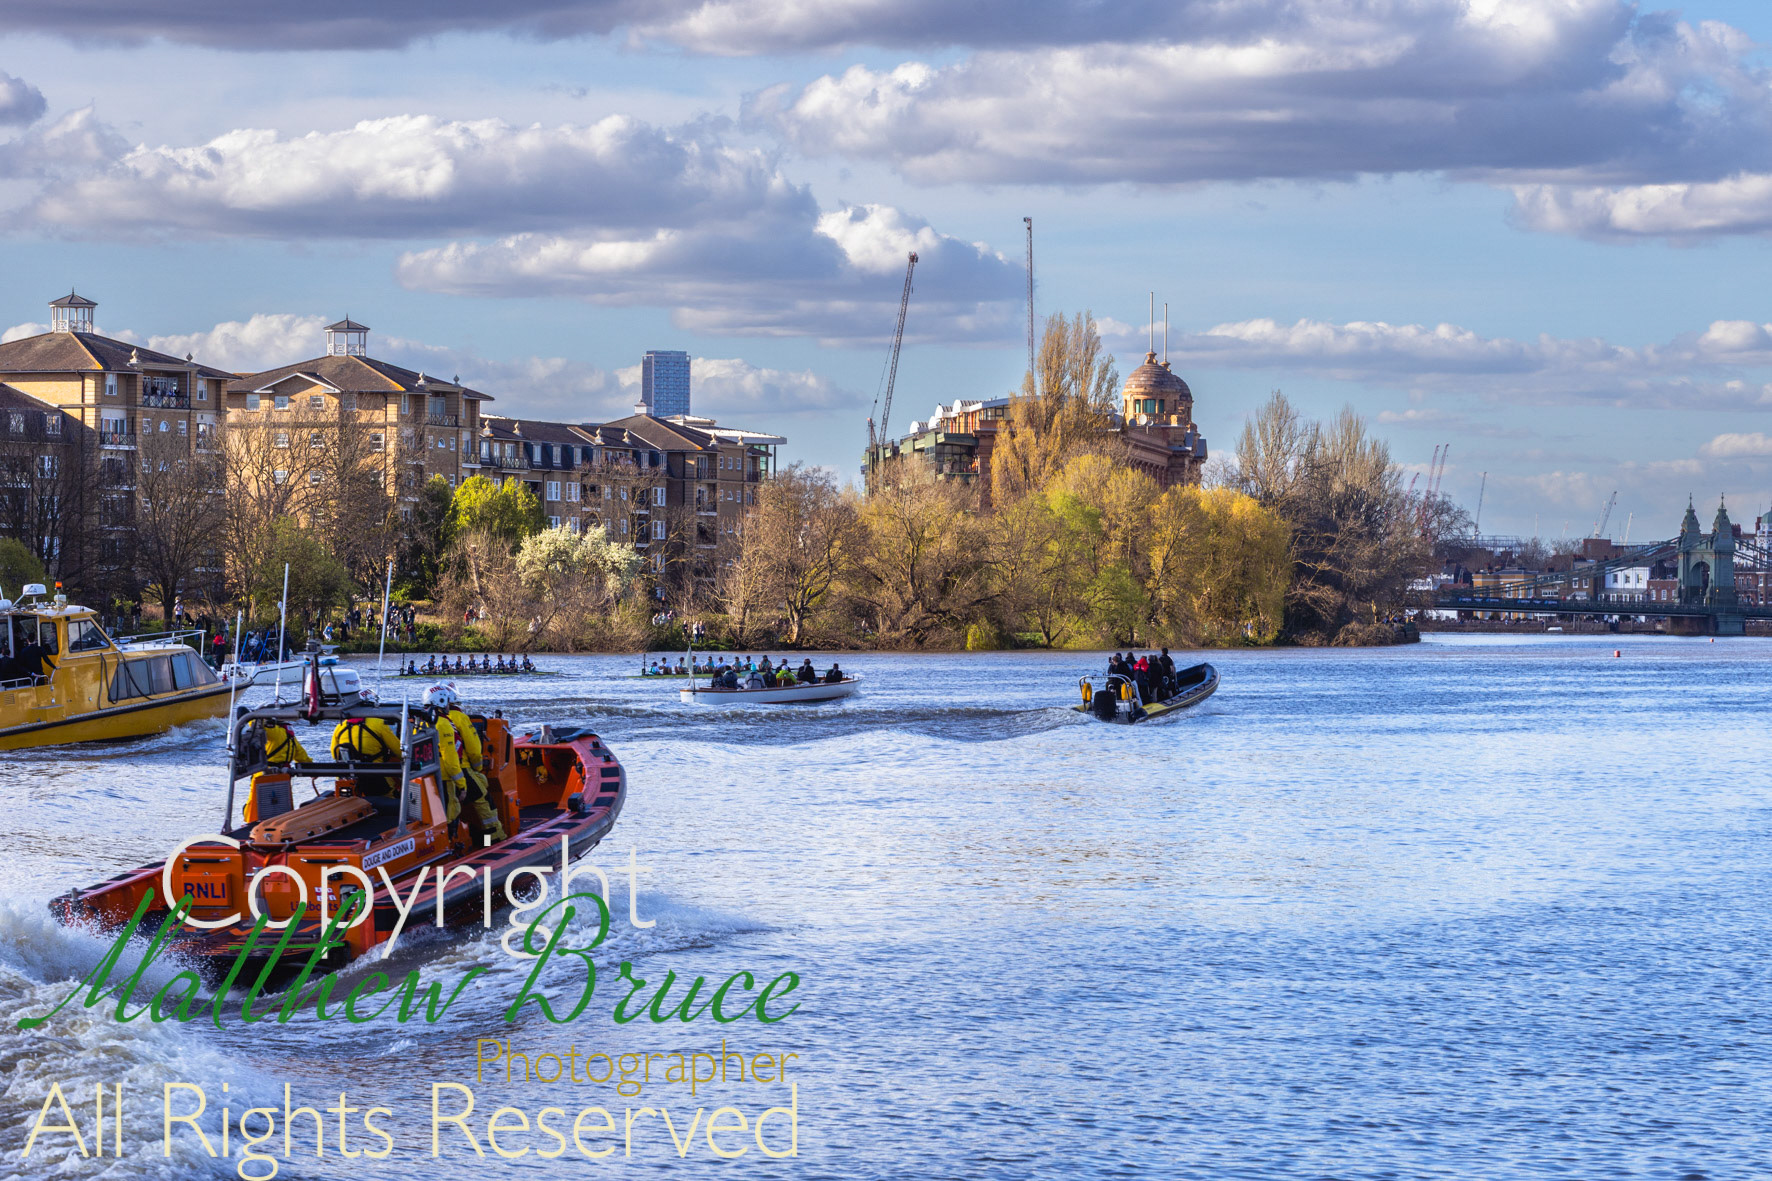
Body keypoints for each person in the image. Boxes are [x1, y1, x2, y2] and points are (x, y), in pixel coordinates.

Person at [429, 684, 506, 842]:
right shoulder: (458, 719)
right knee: (483, 799)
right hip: (459, 768)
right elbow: (473, 749)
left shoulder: (423, 720)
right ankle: (494, 838)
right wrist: (477, 768)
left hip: (430, 772)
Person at [330, 711, 402, 796]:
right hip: (376, 776)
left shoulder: (339, 727)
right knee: (390, 794)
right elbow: (399, 751)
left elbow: (335, 755)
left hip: (348, 778)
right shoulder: (379, 723)